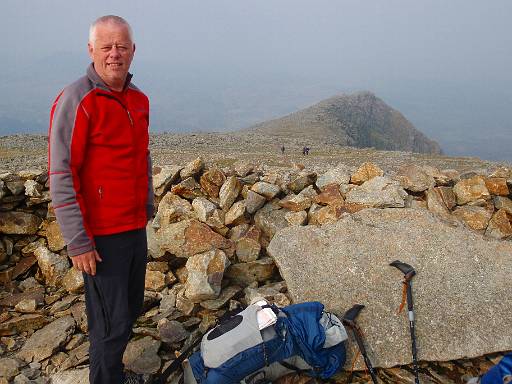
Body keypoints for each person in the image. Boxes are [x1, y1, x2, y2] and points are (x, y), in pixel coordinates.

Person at [48, 15, 153, 384]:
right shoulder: (77, 99)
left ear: (133, 51)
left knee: (129, 311)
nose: (114, 54)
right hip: (100, 236)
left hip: (133, 228)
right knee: (110, 325)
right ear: (91, 50)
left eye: (122, 46)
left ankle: (114, 374)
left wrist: (147, 205)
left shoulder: (139, 100)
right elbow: (61, 174)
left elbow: (142, 156)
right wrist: (77, 241)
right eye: (106, 46)